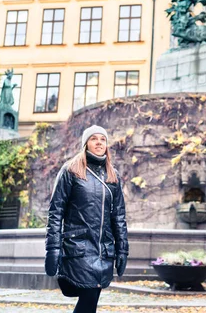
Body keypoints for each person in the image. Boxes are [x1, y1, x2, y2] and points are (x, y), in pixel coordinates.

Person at [45, 125, 129, 313]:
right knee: (90, 297)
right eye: (94, 139)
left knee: (91, 301)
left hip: (103, 250)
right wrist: (53, 249)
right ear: (86, 144)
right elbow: (56, 212)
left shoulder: (113, 176)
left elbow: (119, 216)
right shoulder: (71, 171)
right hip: (79, 248)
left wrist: (123, 249)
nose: (99, 142)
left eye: (103, 139)